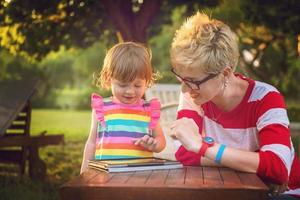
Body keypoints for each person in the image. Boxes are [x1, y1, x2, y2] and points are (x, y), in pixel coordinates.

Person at [169, 12, 300, 199]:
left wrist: (204, 148)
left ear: (225, 73)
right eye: (180, 78)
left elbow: (278, 168)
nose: (184, 88)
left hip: (285, 193)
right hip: (235, 188)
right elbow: (185, 153)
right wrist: (255, 162)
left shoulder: (266, 99)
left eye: (192, 80)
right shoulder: (194, 95)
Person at [81, 42, 166, 173]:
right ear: (109, 79)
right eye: (122, 85)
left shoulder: (148, 110)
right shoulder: (102, 108)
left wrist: (154, 144)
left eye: (137, 86)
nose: (130, 91)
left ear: (147, 81)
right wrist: (84, 173)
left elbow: (161, 141)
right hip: (106, 176)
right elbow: (92, 143)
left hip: (141, 176)